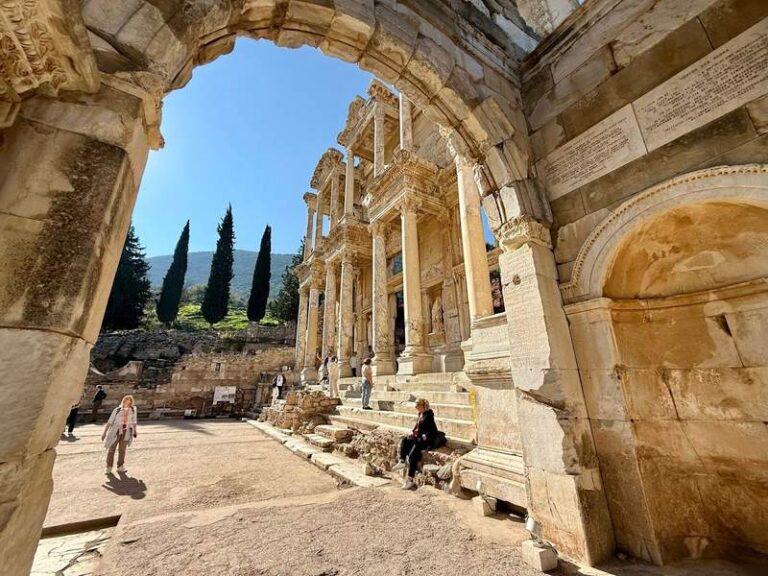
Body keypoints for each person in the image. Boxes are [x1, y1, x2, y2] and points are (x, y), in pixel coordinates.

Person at [392, 399, 438, 490]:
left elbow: (432, 431)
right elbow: (417, 427)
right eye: (416, 405)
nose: (416, 407)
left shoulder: (429, 415)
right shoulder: (420, 414)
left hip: (426, 440)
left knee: (413, 454)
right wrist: (412, 433)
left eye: (418, 405)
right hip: (418, 438)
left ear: (423, 405)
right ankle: (402, 461)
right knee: (405, 440)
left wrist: (420, 436)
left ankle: (410, 480)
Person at [102, 394, 138, 474]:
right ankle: (109, 467)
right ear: (123, 401)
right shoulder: (117, 409)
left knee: (122, 450)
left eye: (129, 401)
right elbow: (110, 421)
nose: (127, 402)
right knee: (111, 450)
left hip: (126, 431)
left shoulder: (133, 410)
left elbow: (134, 421)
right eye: (125, 400)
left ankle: (120, 466)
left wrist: (135, 431)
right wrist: (104, 433)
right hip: (116, 431)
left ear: (131, 402)